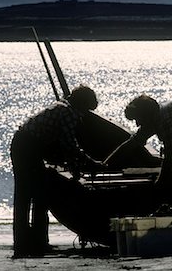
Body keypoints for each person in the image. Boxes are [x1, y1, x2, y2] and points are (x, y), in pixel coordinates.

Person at [10, 85, 105, 257]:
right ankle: (30, 243)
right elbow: (69, 145)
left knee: (33, 195)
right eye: (85, 109)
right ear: (82, 103)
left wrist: (75, 166)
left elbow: (60, 146)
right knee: (32, 195)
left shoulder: (62, 106)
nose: (83, 114)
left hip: (25, 144)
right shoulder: (67, 112)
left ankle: (31, 241)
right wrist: (90, 163)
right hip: (26, 147)